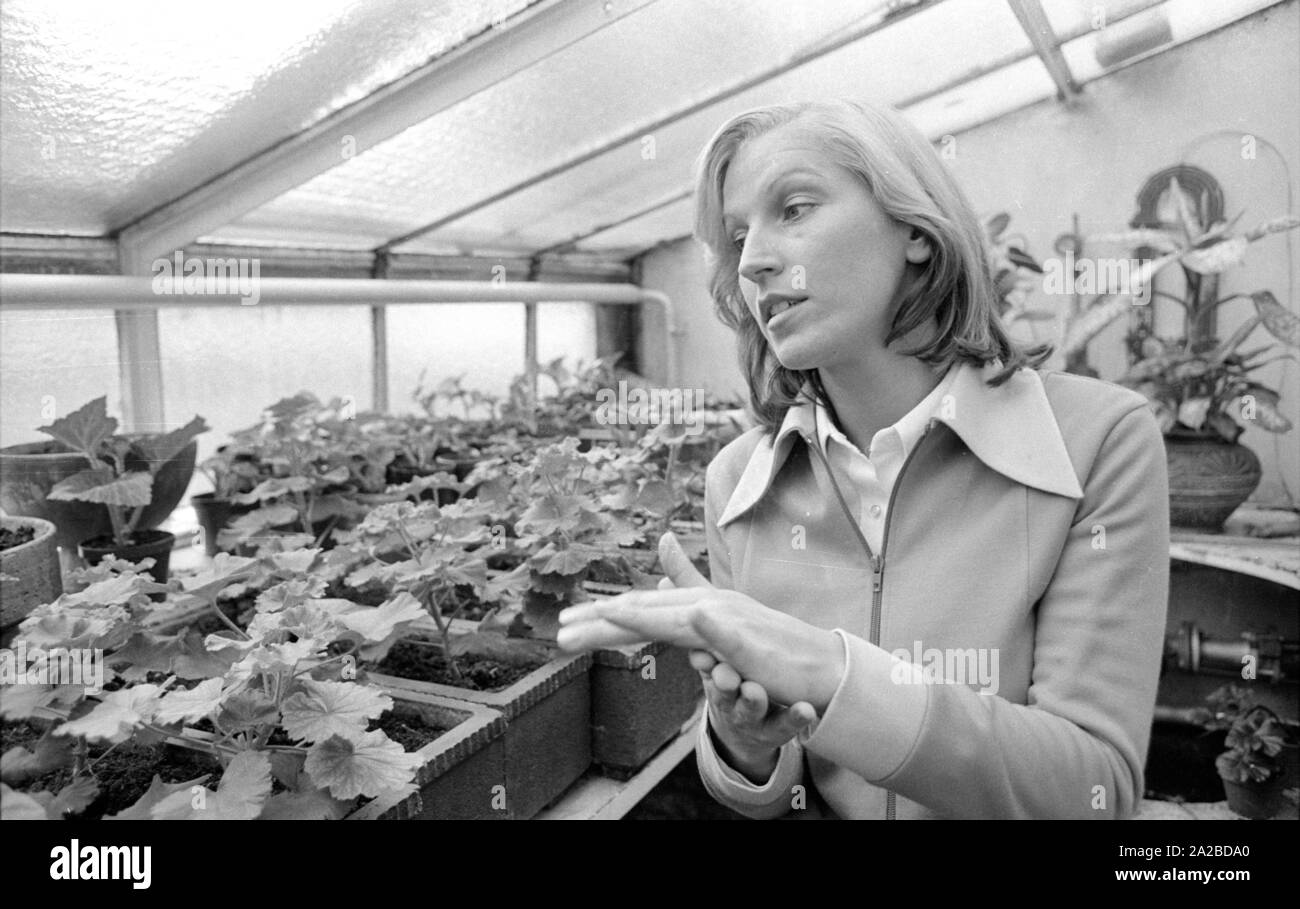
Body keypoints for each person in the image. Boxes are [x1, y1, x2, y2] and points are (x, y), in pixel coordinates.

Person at [557, 99, 1170, 820]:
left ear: (913, 227)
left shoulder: (1096, 444)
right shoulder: (739, 482)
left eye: (794, 207)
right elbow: (777, 789)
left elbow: (1091, 791)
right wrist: (742, 742)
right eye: (737, 234)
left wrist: (832, 672)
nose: (752, 259)